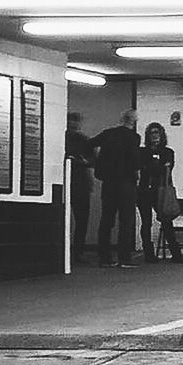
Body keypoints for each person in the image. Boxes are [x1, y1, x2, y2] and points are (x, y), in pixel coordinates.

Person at [89, 109, 140, 268]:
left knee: (107, 220)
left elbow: (90, 144)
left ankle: (104, 257)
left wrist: (97, 160)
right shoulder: (134, 137)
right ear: (133, 121)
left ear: (121, 118)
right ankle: (124, 258)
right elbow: (134, 160)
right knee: (126, 221)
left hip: (109, 182)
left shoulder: (107, 134)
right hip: (126, 182)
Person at [137, 122, 183, 263]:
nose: (155, 135)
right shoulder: (142, 152)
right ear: (148, 136)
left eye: (157, 132)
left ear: (162, 135)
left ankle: (176, 254)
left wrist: (152, 166)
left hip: (161, 190)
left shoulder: (168, 152)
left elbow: (163, 169)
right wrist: (155, 165)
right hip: (144, 190)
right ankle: (149, 254)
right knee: (146, 222)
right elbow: (148, 168)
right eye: (152, 133)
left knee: (167, 221)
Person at [65, 112, 93, 264]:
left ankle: (74, 252)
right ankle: (78, 252)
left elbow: (93, 161)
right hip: (81, 183)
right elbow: (93, 161)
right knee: (82, 220)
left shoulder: (62, 138)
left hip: (71, 182)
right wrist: (83, 162)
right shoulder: (83, 140)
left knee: (78, 220)